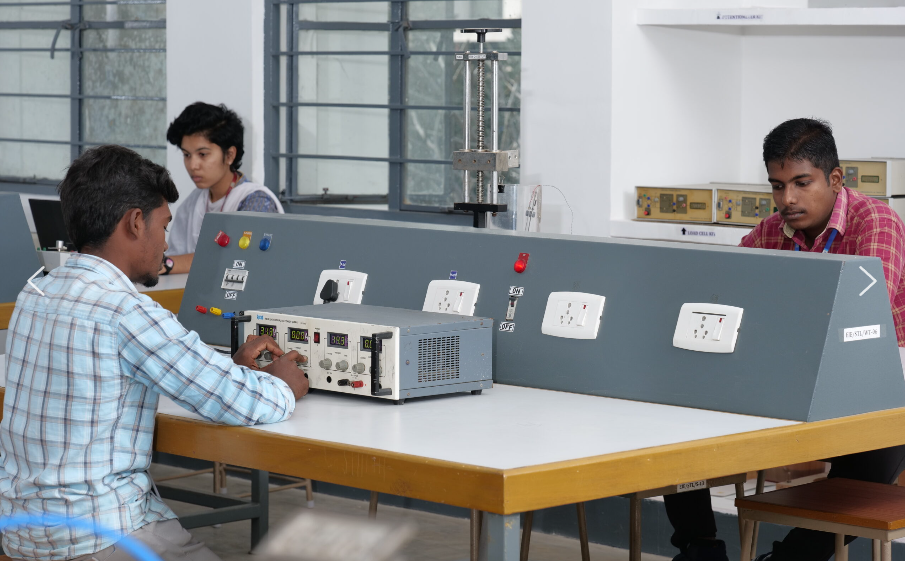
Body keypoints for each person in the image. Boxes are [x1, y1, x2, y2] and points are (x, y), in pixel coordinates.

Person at [0, 145, 308, 561]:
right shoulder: (126, 311)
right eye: (164, 226)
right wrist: (283, 385)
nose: (165, 244)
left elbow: (160, 370)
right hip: (99, 534)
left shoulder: (36, 291)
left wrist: (228, 366)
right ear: (134, 222)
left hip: (23, 532)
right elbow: (239, 402)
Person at [664, 118, 905, 561]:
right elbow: (724, 298)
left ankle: (787, 559)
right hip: (789, 375)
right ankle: (700, 547)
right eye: (778, 186)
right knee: (679, 419)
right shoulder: (770, 231)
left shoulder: (876, 221)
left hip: (873, 384)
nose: (787, 199)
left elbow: (862, 320)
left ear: (835, 179)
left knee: (867, 473)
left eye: (801, 183)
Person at [162, 102, 283, 275]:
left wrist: (168, 264)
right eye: (186, 155)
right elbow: (175, 254)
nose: (193, 165)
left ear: (230, 155)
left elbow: (240, 260)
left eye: (203, 154)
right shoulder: (191, 204)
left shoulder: (256, 201)